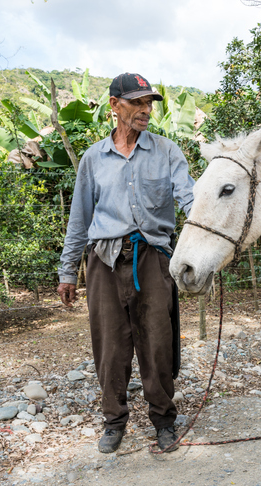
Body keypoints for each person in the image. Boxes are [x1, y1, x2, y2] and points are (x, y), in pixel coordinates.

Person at [56, 72, 195, 454]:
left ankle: (164, 420)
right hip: (103, 260)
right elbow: (79, 219)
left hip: (152, 259)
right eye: (137, 102)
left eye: (149, 103)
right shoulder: (93, 159)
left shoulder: (168, 151)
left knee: (158, 344)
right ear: (115, 106)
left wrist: (209, 240)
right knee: (110, 348)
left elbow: (191, 201)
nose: (146, 110)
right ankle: (114, 421)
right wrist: (69, 271)